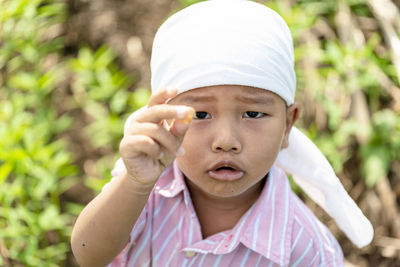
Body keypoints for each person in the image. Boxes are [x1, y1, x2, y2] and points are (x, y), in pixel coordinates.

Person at [71, 0, 373, 266]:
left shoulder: (303, 248)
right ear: (163, 119)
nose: (226, 141)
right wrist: (135, 184)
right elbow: (89, 256)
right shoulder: (147, 187)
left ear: (287, 125)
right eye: (200, 114)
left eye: (253, 113)